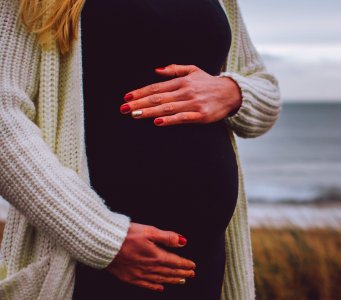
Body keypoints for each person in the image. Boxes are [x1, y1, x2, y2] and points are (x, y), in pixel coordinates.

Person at [0, 0, 281, 299]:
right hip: (88, 261)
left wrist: (232, 92)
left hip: (203, 263)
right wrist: (101, 238)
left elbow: (265, 91)